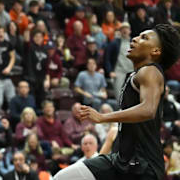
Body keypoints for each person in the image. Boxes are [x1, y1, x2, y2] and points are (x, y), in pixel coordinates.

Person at [54, 24, 180, 180]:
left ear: (155, 51)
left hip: (142, 164)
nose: (135, 39)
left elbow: (148, 110)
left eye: (144, 38)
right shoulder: (134, 75)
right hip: (123, 161)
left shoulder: (150, 70)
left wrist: (102, 117)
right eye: (138, 35)